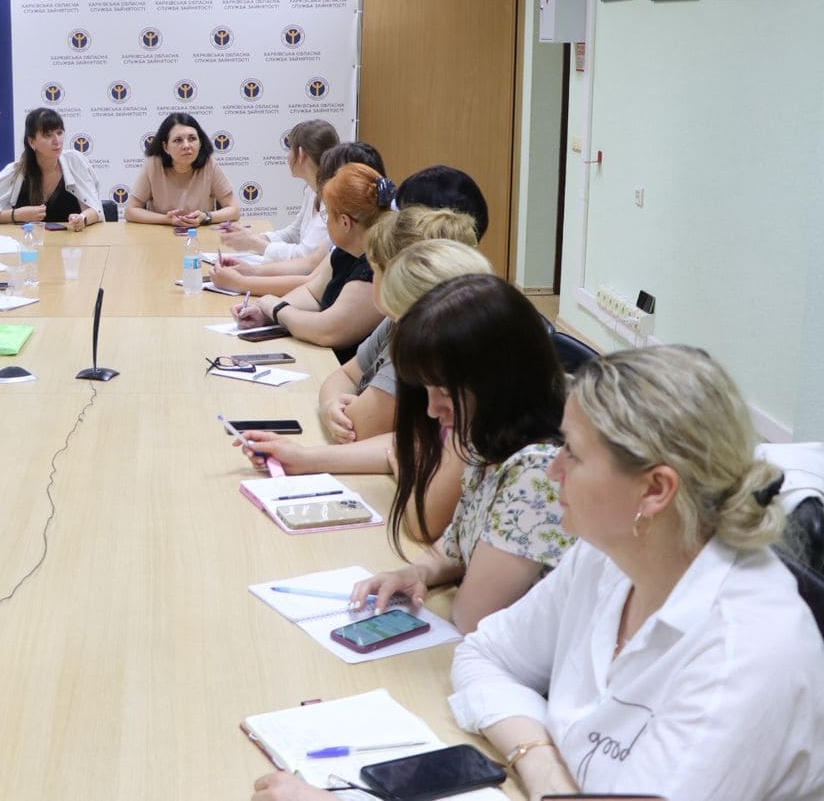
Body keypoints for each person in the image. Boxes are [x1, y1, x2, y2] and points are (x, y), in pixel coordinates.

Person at [449, 345, 824, 801]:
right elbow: (485, 655)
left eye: (573, 453)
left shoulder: (744, 651)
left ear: (655, 489)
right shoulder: (610, 553)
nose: (552, 470)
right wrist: (539, 761)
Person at [352, 274, 574, 632]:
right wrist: (420, 571)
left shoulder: (539, 472)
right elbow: (456, 541)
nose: (432, 409)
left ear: (499, 378)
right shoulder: (487, 437)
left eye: (444, 391)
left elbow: (473, 617)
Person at [235, 230, 490, 477]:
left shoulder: (423, 335)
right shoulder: (407, 325)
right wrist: (308, 450)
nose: (433, 409)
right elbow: (408, 443)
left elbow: (364, 429)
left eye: (374, 271)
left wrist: (312, 452)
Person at [232, 163, 390, 363]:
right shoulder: (346, 250)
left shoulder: (376, 269)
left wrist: (276, 308)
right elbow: (312, 294)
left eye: (327, 215)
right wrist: (264, 313)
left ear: (345, 222)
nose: (326, 222)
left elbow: (328, 331)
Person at [211, 141, 385, 296]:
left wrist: (243, 283)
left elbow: (314, 290)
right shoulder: (350, 233)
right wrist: (251, 271)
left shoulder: (372, 264)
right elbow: (310, 269)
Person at [0, 107, 103, 231]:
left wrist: (82, 219)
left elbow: (96, 209)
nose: (57, 140)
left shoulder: (75, 161)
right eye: (48, 135)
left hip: (73, 245)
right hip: (28, 244)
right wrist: (16, 215)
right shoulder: (16, 172)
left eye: (59, 133)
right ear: (32, 142)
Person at [219, 119, 338, 261]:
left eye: (290, 149)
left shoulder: (333, 200)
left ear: (301, 154)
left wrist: (254, 243)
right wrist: (252, 238)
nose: (288, 156)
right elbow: (295, 232)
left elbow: (305, 257)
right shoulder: (312, 189)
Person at [121, 112, 241, 226]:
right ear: (166, 147)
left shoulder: (209, 164)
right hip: (161, 233)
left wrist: (206, 217)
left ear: (200, 143)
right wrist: (166, 220)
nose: (186, 146)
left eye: (192, 139)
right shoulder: (153, 165)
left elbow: (234, 210)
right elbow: (131, 211)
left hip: (200, 234)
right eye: (178, 140)